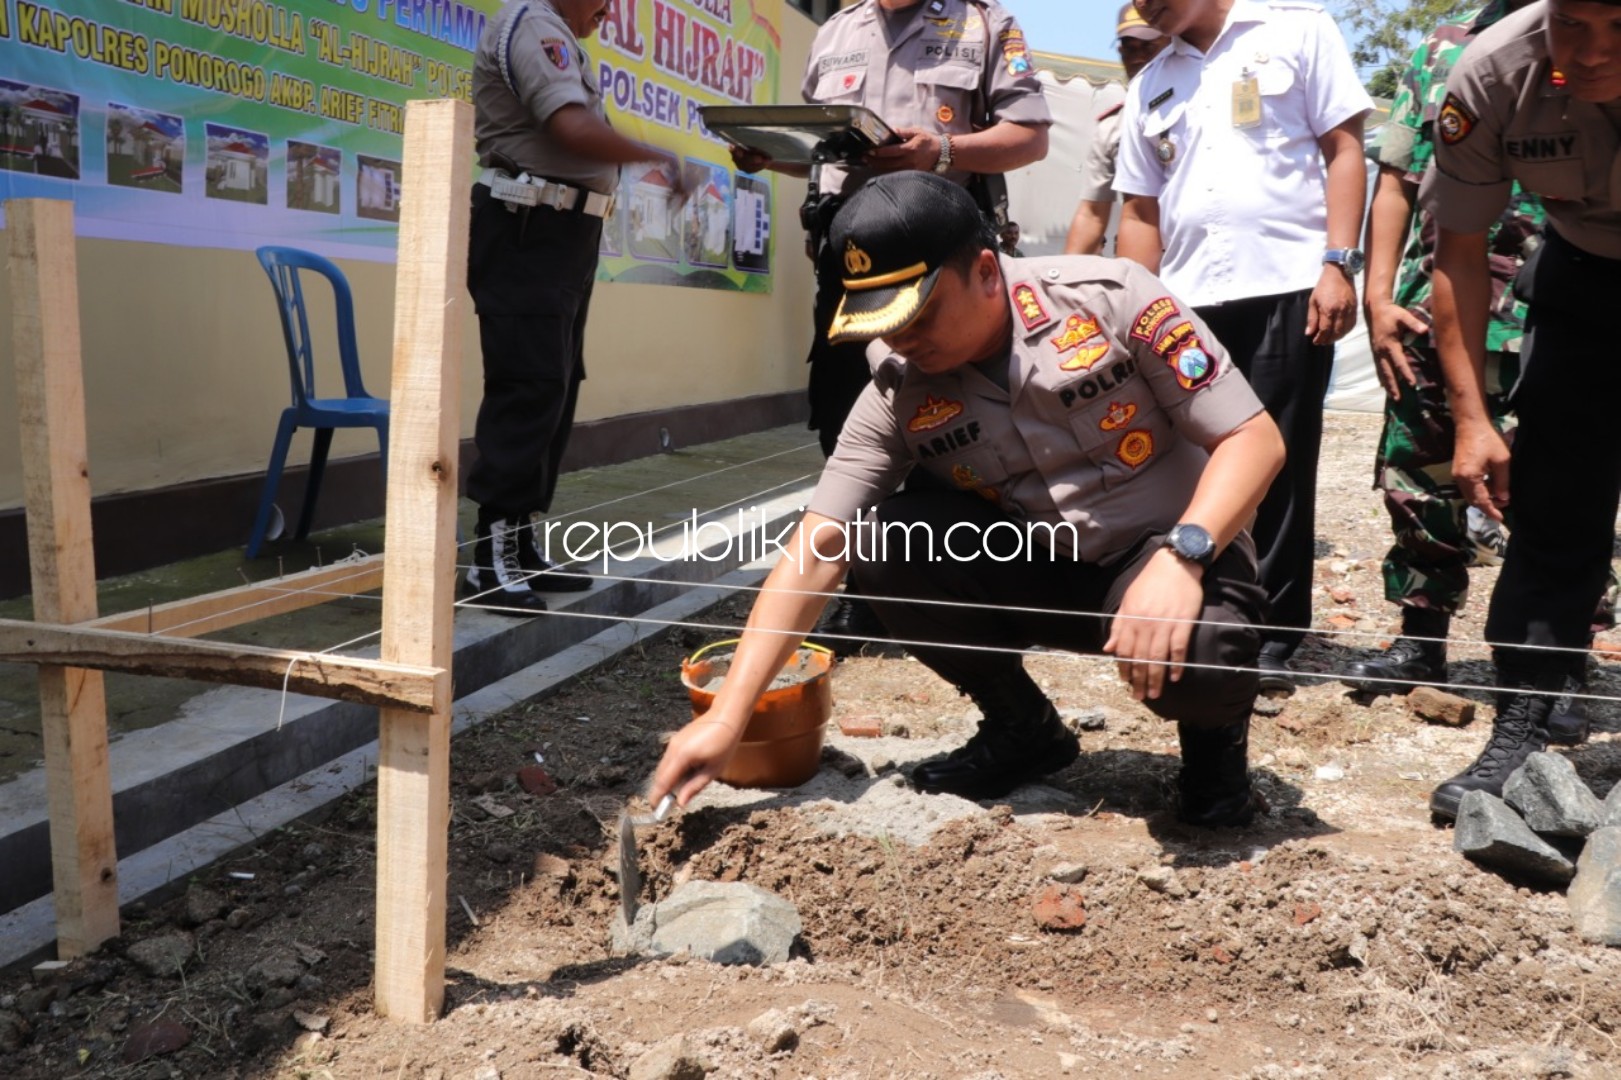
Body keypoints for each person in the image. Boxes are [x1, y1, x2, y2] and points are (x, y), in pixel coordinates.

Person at [649, 171, 1285, 828]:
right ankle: (1022, 731)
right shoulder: (899, 388)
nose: (901, 339)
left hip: (1170, 555)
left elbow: (1253, 438)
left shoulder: (1111, 299)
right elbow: (817, 547)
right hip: (1045, 568)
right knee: (882, 540)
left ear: (984, 271)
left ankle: (1215, 764)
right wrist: (728, 716)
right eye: (883, 321)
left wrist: (1182, 557)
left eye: (919, 315)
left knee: (1207, 657)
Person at [729, 0, 1052, 648]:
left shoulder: (984, 24)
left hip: (941, 260)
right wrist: (770, 154)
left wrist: (944, 150)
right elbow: (821, 153)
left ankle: (959, 584)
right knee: (845, 414)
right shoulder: (837, 30)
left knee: (954, 416)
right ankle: (864, 588)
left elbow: (1030, 136)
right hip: (849, 262)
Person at [1341, 0, 1608, 743]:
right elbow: (1396, 177)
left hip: (1549, 304)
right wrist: (1378, 296)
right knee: (1417, 472)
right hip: (1438, 303)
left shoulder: (1590, 39)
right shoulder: (1442, 49)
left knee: (1558, 486)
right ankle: (1420, 637)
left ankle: (1562, 663)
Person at [1114, 0, 1372, 691]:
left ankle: (1271, 636)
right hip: (1186, 304)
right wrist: (1133, 313)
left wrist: (1338, 263)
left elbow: (1344, 148)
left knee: (1278, 461)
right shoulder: (1151, 81)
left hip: (1286, 286)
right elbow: (1140, 209)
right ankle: (1208, 612)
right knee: (1193, 466)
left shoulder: (1297, 29)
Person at [1421, 0, 1621, 820]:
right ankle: (1522, 726)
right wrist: (1472, 420)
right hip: (1584, 278)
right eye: (1572, 22)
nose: (1593, 50)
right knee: (1553, 507)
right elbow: (1458, 253)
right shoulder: (1493, 72)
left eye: (1619, 25)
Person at [464, 0, 683, 614]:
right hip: (526, 226)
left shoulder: (558, 33)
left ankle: (520, 543)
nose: (609, 9)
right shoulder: (535, 24)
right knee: (527, 386)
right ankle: (490, 558)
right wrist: (657, 154)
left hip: (560, 234)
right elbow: (570, 128)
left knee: (554, 387)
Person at [1063, 3, 1169, 256]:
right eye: (1129, 49)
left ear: (1171, 44)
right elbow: (1092, 214)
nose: (1138, 57)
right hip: (1147, 259)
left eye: (1148, 47)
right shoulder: (1111, 127)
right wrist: (1063, 275)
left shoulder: (1204, 100)